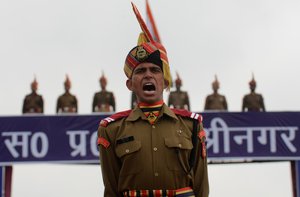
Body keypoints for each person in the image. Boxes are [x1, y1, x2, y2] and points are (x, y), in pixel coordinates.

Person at [97, 3, 209, 197]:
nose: (148, 75)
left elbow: (201, 187)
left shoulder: (191, 125)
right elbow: (111, 189)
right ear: (130, 85)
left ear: (164, 81)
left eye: (155, 70)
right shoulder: (112, 129)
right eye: (140, 71)